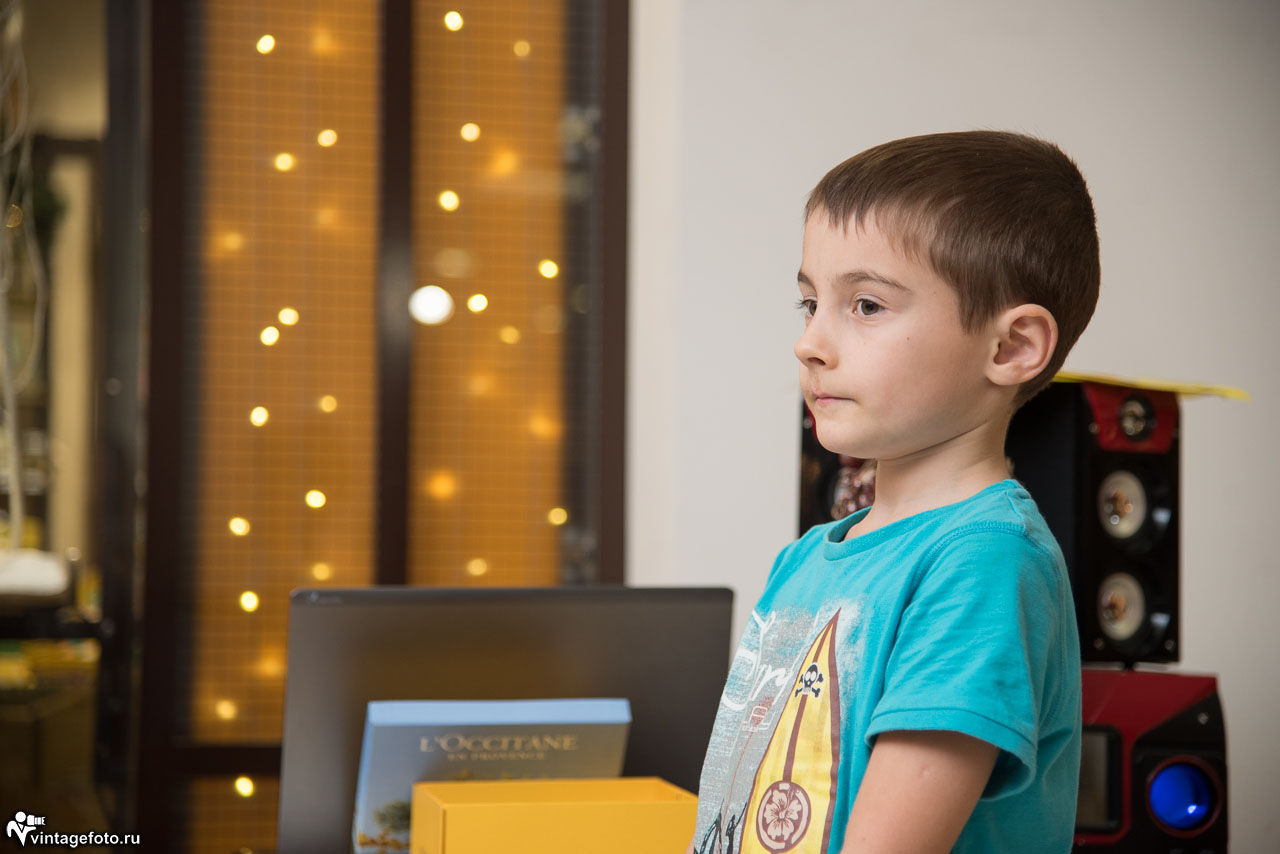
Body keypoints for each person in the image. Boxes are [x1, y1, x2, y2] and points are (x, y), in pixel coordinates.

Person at [687, 130, 1098, 854]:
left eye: (867, 305)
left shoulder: (983, 563)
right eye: (809, 303)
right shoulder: (805, 561)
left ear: (1011, 347)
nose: (809, 342)